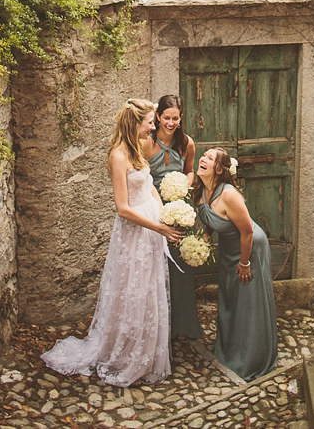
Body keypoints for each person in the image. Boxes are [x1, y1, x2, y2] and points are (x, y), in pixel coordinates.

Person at [41, 99, 183, 387]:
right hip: (135, 232)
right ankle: (125, 353)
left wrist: (163, 214)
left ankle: (146, 351)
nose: (154, 127)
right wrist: (157, 226)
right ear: (135, 123)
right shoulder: (118, 156)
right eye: (150, 122)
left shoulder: (142, 147)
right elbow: (122, 208)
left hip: (153, 228)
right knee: (133, 290)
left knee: (149, 290)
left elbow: (150, 185)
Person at [194, 148, 278, 381]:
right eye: (204, 155)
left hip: (249, 249)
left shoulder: (229, 195)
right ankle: (230, 350)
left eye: (210, 158)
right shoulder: (201, 190)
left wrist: (244, 263)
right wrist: (206, 237)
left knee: (248, 302)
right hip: (228, 250)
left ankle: (252, 358)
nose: (203, 158)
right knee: (231, 299)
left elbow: (248, 231)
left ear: (219, 170)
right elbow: (212, 217)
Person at [142, 94, 202, 340]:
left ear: (181, 118)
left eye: (175, 118)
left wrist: (181, 186)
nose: (171, 122)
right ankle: (155, 326)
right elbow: (140, 177)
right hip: (153, 207)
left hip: (178, 208)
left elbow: (190, 171)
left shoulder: (186, 142)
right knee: (154, 263)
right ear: (157, 116)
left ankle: (182, 326)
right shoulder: (146, 142)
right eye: (166, 117)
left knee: (179, 265)